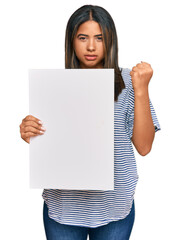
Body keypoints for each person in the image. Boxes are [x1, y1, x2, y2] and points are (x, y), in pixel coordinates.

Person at [19, 4, 161, 240]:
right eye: (83, 37)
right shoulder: (54, 85)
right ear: (71, 41)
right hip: (64, 207)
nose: (92, 46)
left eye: (100, 38)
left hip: (114, 206)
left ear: (111, 41)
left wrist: (142, 90)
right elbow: (53, 141)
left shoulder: (130, 80)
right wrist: (30, 131)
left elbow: (144, 147)